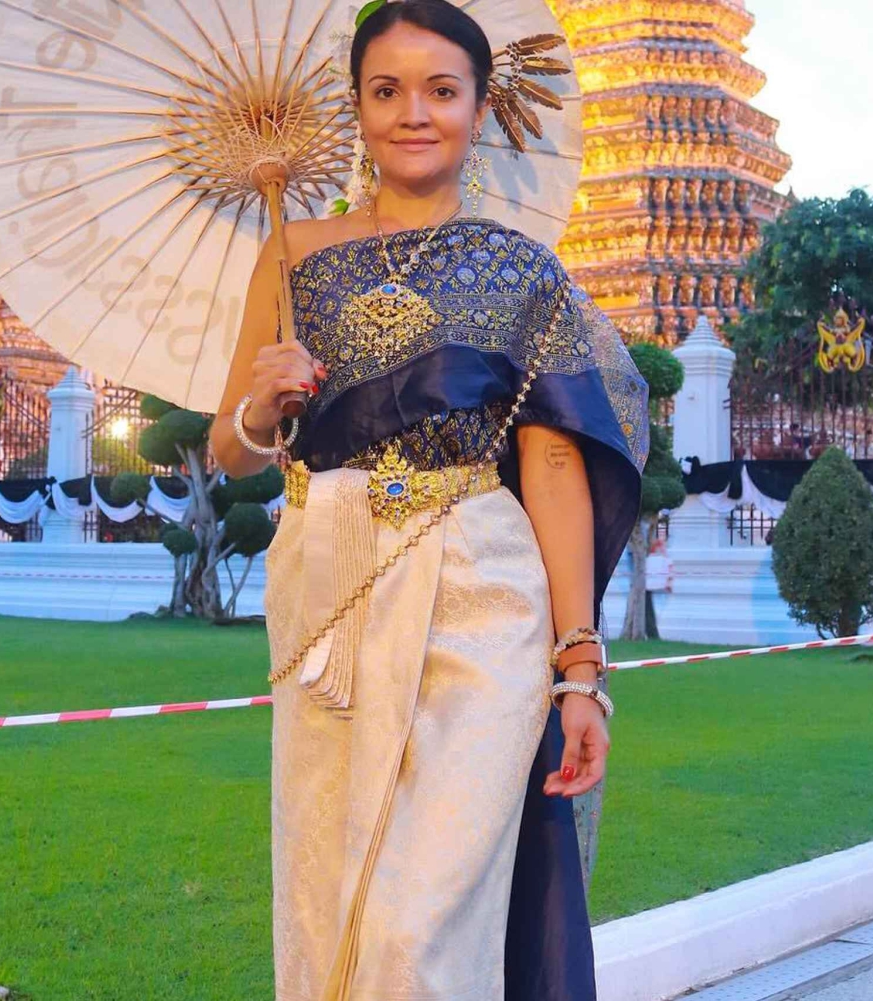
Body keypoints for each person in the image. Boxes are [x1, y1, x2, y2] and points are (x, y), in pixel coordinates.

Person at [207, 3, 648, 998]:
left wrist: (580, 669)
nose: (414, 113)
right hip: (330, 594)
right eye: (387, 90)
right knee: (332, 907)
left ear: (479, 109)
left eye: (442, 91)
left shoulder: (521, 271)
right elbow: (229, 452)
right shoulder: (292, 256)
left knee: (418, 931)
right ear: (358, 108)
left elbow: (554, 468)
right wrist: (261, 404)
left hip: (480, 588)